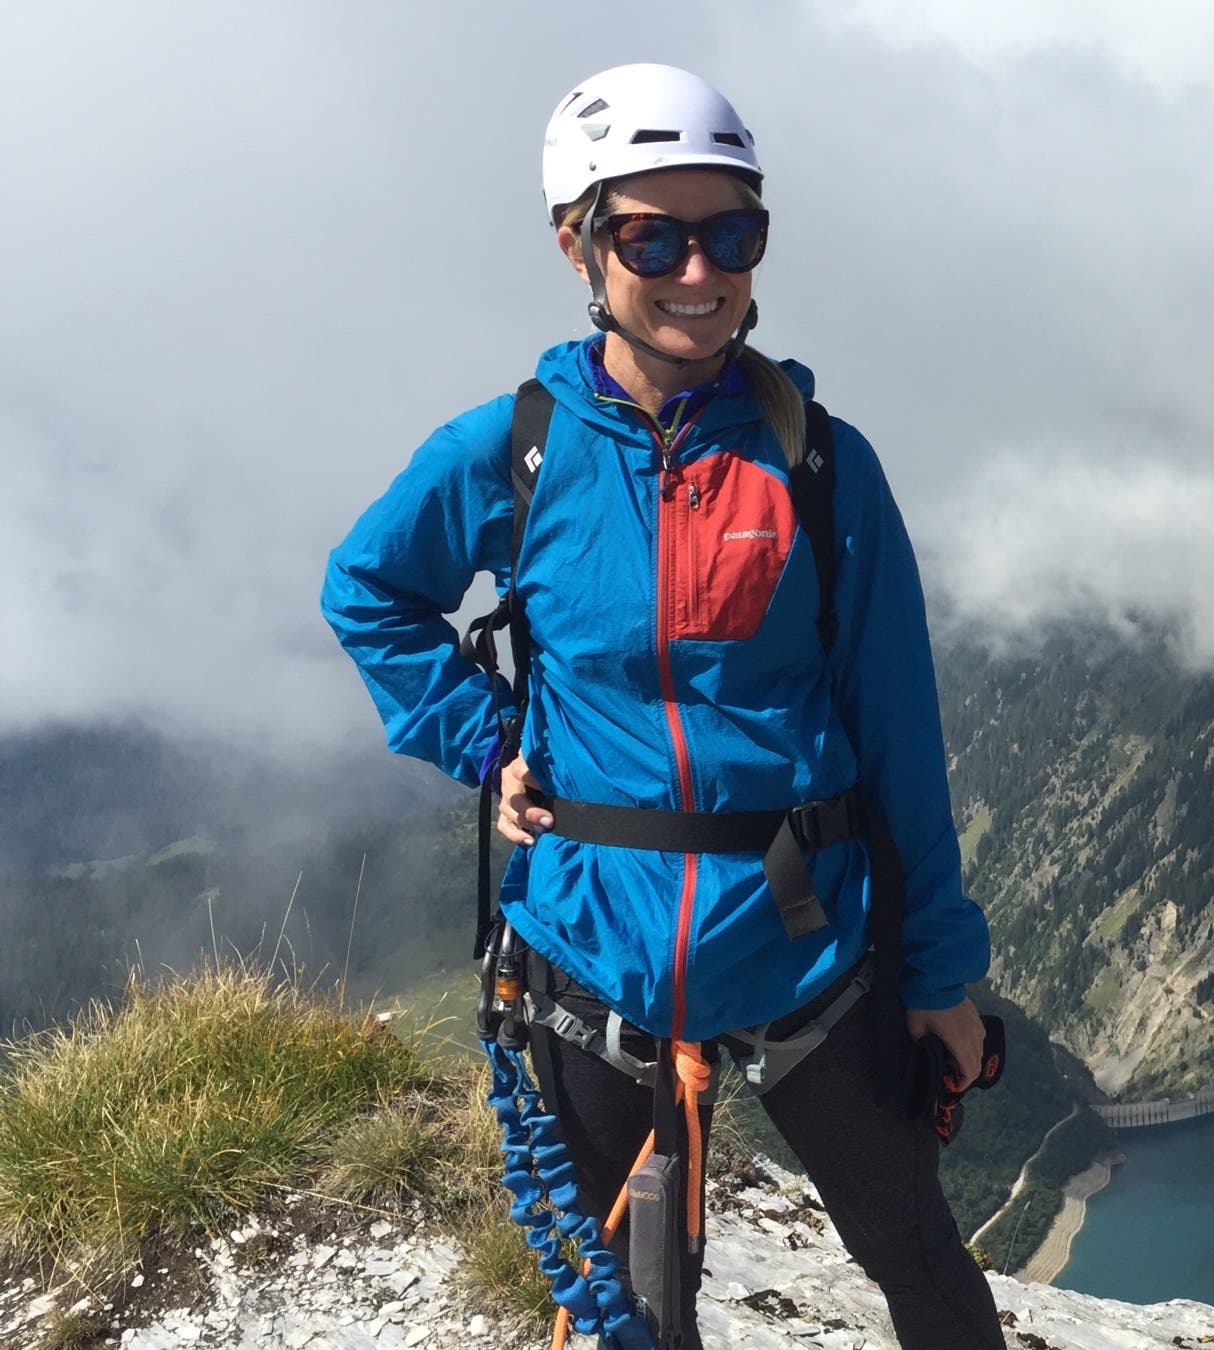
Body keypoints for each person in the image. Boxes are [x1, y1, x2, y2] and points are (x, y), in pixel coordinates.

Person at [322, 63, 1006, 1349]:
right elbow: (367, 591)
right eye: (653, 238)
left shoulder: (817, 461)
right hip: (594, 939)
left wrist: (939, 973)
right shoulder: (514, 451)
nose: (700, 271)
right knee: (632, 1303)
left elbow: (900, 733)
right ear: (578, 245)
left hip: (810, 938)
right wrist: (487, 743)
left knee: (917, 1257)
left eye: (732, 234)